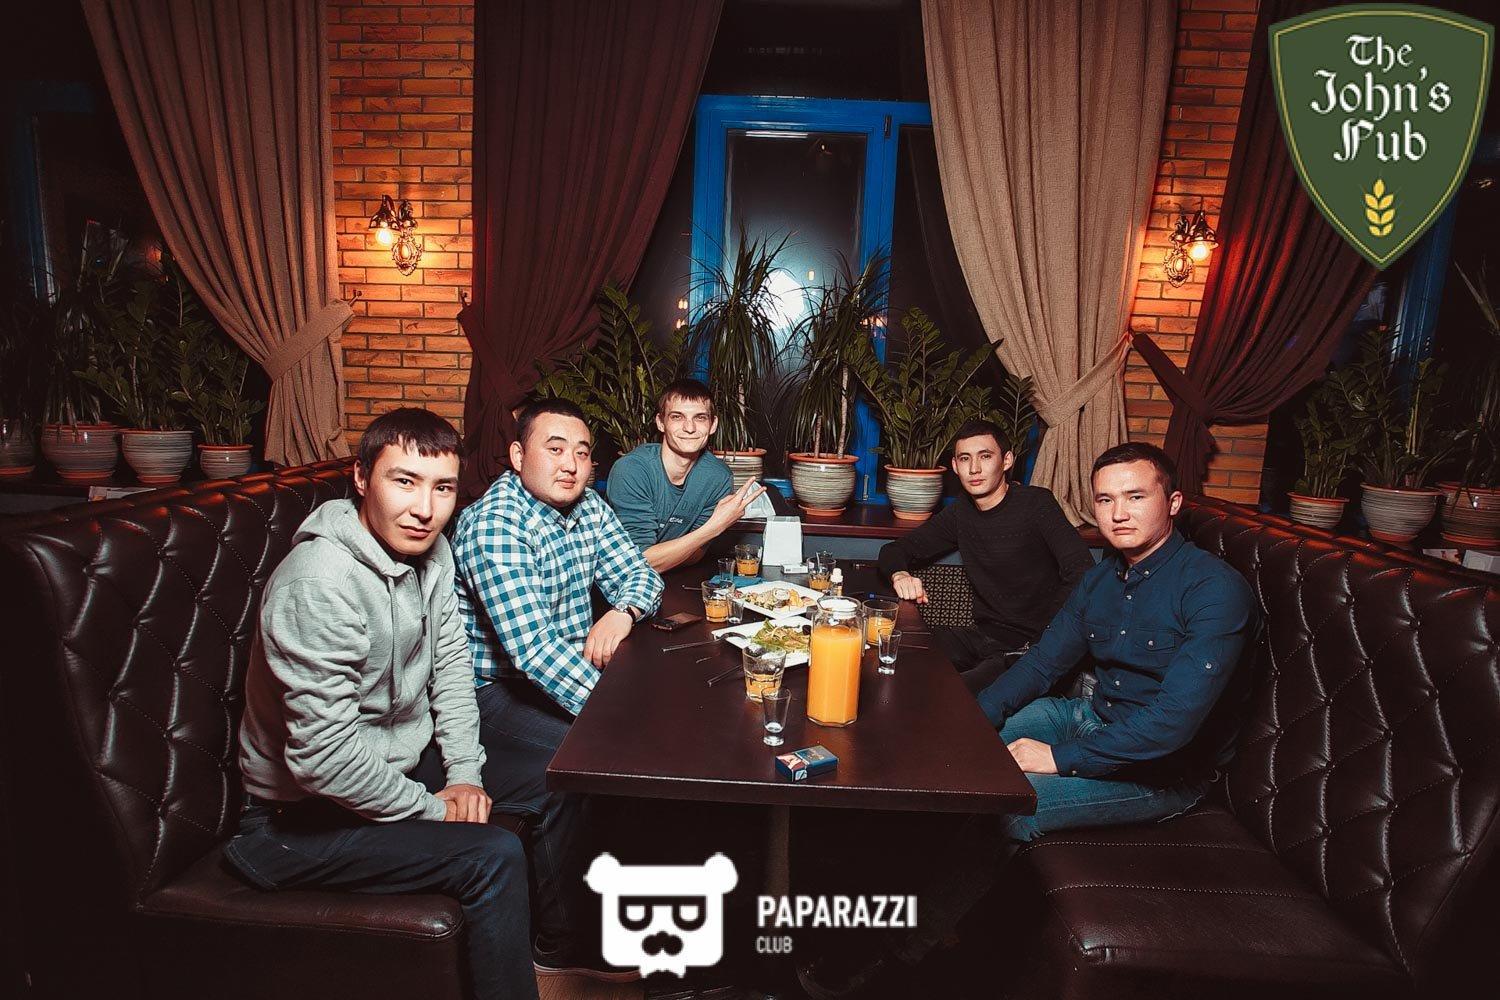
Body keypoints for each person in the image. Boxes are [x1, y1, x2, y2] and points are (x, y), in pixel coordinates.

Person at [800, 442, 1258, 999]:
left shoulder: (1214, 589)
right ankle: (878, 900)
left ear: (1174, 502)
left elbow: (1173, 726)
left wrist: (1058, 759)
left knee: (1010, 809)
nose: (1118, 513)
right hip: (1085, 715)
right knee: (953, 759)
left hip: (1163, 769)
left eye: (1136, 497)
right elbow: (1042, 664)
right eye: (1105, 500)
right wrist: (971, 726)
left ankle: (902, 953)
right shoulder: (1102, 579)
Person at [226, 408, 537, 1000]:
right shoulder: (318, 582)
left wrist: (464, 775)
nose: (425, 509)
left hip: (395, 767)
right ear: (362, 477)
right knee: (492, 854)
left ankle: (552, 953)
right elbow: (322, 761)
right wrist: (434, 810)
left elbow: (451, 669)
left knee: (553, 779)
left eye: (443, 488)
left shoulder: (434, 553)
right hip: (295, 818)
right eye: (405, 481)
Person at [451, 398, 663, 981]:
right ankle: (562, 945)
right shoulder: (496, 524)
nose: (571, 464)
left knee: (621, 756)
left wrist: (622, 610)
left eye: (582, 453)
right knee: (574, 768)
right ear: (518, 455)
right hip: (489, 693)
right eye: (555, 448)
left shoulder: (588, 505)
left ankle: (619, 903)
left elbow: (641, 575)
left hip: (557, 676)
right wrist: (623, 717)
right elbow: (533, 653)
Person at [876, 419, 1093, 692]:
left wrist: (1045, 638)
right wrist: (900, 574)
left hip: (1031, 648)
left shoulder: (1036, 503)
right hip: (982, 637)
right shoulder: (960, 513)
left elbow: (1082, 569)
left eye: (985, 456)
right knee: (900, 652)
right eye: (965, 458)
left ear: (1007, 461)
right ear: (955, 466)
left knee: (953, 695)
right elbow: (895, 550)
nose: (974, 468)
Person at [606, 377, 766, 571]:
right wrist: (715, 526)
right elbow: (636, 562)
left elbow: (696, 553)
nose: (689, 428)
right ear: (660, 422)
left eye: (700, 418)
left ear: (713, 425)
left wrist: (665, 556)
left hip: (674, 576)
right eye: (677, 417)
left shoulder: (717, 477)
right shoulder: (632, 469)